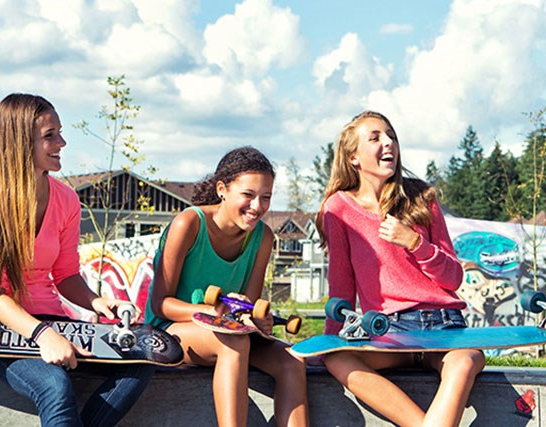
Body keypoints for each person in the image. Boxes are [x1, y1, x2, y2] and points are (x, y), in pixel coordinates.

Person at [0, 93, 154, 427]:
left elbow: (66, 275)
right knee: (54, 385)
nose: (62, 142)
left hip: (52, 322)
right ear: (17, 143)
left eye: (59, 132)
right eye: (50, 135)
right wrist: (43, 335)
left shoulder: (66, 199)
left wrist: (98, 302)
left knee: (140, 362)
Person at [316, 111, 485, 427]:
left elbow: (454, 278)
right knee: (338, 359)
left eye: (391, 135)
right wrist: (329, 340)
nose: (388, 142)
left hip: (444, 326)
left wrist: (415, 243)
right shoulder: (338, 209)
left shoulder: (422, 197)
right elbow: (340, 287)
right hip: (389, 332)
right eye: (375, 137)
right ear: (353, 157)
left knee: (464, 362)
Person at [145, 146, 309, 427]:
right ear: (223, 189)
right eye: (248, 195)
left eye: (266, 197)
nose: (257, 207)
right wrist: (209, 311)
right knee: (234, 342)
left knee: (292, 362)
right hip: (169, 331)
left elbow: (248, 308)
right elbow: (160, 304)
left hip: (229, 331)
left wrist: (258, 318)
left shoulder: (263, 238)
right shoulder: (188, 223)